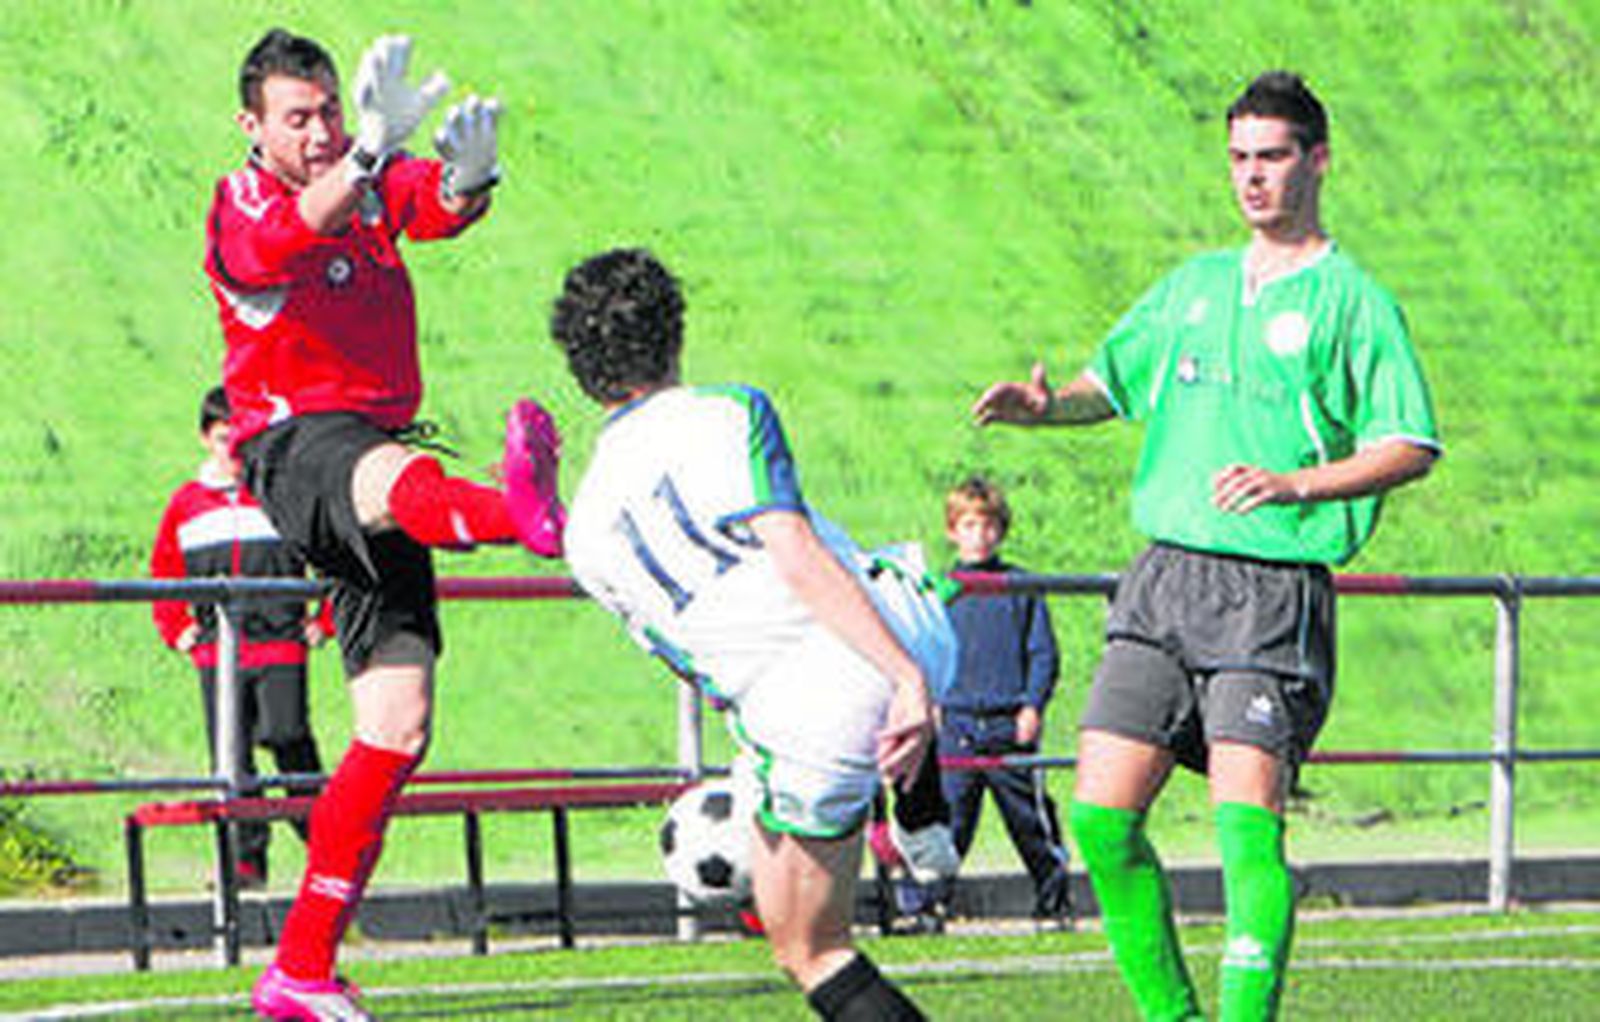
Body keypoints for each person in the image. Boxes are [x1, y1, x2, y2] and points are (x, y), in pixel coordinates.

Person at [972, 71, 1440, 1020]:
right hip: (1161, 581)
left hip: (1268, 590)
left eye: (1271, 157)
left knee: (1245, 835)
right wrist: (1046, 407)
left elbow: (1410, 444)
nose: (1252, 178)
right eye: (1238, 159)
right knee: (1101, 822)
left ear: (1318, 160)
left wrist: (1299, 483)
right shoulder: (1193, 286)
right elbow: (1112, 384)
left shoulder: (1354, 301)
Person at [205, 29, 565, 1019]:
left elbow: (433, 209)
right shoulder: (244, 198)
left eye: (328, 110)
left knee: (397, 724)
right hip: (297, 447)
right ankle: (522, 512)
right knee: (395, 474)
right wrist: (364, 149)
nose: (318, 132)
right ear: (253, 127)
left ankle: (301, 967)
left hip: (374, 456)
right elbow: (282, 241)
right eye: (299, 117)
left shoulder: (363, 178)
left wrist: (471, 176)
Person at [555, 247, 949, 1020]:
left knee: (812, 950)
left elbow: (697, 643)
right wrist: (908, 675)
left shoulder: (585, 529)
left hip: (814, 706)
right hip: (903, 619)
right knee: (793, 917)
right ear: (675, 334)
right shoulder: (728, 410)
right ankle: (923, 812)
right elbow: (795, 550)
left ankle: (917, 806)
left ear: (579, 368)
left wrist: (893, 685)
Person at [150, 386, 330, 891]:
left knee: (287, 734)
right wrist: (178, 628)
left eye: (241, 439)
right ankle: (246, 861)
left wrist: (326, 619)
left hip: (281, 643)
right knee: (231, 756)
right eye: (223, 438)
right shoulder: (185, 504)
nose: (232, 449)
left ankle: (322, 843)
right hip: (215, 652)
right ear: (206, 439)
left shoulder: (280, 494)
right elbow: (164, 572)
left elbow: (331, 554)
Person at [934, 476, 1073, 928]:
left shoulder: (1021, 585)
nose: (980, 535)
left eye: (989, 526)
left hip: (1008, 723)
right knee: (947, 823)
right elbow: (925, 650)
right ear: (953, 530)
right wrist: (932, 704)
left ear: (1001, 530)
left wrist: (1031, 706)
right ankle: (931, 904)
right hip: (955, 723)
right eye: (970, 525)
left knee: (1030, 821)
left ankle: (1054, 903)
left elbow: (1043, 653)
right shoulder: (939, 588)